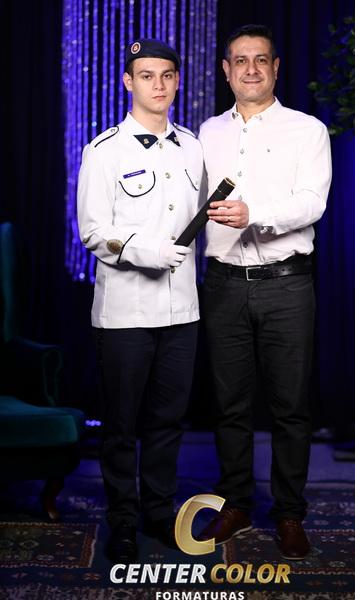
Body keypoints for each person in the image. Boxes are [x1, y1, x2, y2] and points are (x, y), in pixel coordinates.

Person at [197, 24, 332, 560]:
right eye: (240, 60)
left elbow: (312, 202)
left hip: (287, 285)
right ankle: (236, 504)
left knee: (290, 407)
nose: (250, 69)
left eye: (260, 60)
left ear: (276, 68)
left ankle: (290, 513)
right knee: (229, 405)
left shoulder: (307, 130)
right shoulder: (206, 133)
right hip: (223, 285)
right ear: (226, 71)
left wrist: (256, 215)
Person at [77, 39, 203, 563]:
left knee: (168, 422)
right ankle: (123, 521)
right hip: (125, 311)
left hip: (183, 310)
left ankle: (158, 512)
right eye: (146, 75)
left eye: (167, 75)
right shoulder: (104, 150)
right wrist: (146, 252)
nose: (158, 84)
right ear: (129, 82)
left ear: (177, 81)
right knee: (121, 425)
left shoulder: (192, 146)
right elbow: (92, 232)